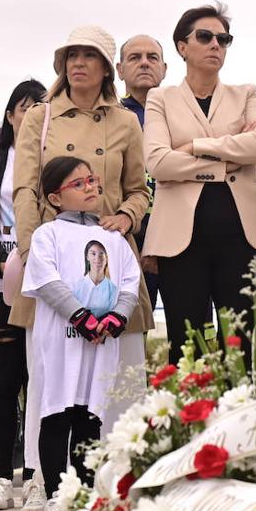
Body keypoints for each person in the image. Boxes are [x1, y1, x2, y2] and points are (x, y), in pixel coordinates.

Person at [12, 25, 151, 511]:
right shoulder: (39, 118)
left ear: (106, 67)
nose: (79, 64)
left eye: (90, 56)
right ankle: (40, 481)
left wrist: (128, 217)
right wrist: (31, 248)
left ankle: (115, 481)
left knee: (118, 376)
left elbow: (141, 189)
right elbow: (25, 188)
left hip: (110, 256)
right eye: (71, 54)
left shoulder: (126, 122)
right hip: (53, 256)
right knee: (49, 376)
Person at [142, 3, 256, 365]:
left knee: (241, 343)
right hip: (181, 241)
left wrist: (196, 147)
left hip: (242, 235)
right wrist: (225, 162)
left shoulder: (246, 93)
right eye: (205, 37)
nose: (215, 45)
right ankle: (188, 420)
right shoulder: (161, 98)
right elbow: (158, 161)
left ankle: (241, 418)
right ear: (182, 46)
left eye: (223, 38)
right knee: (185, 345)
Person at [23, 156, 139, 511]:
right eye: (79, 184)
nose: (90, 187)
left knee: (91, 416)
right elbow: (47, 281)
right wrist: (80, 316)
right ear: (56, 198)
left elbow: (128, 281)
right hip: (63, 341)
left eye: (91, 180)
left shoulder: (112, 237)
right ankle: (58, 493)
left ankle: (85, 492)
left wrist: (116, 316)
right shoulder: (47, 235)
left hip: (101, 341)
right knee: (57, 413)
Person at [0, 79, 46, 511]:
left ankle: (40, 471)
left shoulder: (53, 158)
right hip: (1, 278)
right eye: (23, 106)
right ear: (9, 115)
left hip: (44, 280)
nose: (31, 114)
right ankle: (0, 474)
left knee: (43, 379)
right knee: (3, 381)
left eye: (40, 106)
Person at [116, 35, 168, 311]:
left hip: (178, 233)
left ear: (165, 68)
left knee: (191, 330)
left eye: (152, 57)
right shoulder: (111, 114)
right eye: (135, 58)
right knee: (130, 333)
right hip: (129, 232)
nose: (145, 63)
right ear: (119, 69)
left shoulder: (183, 110)